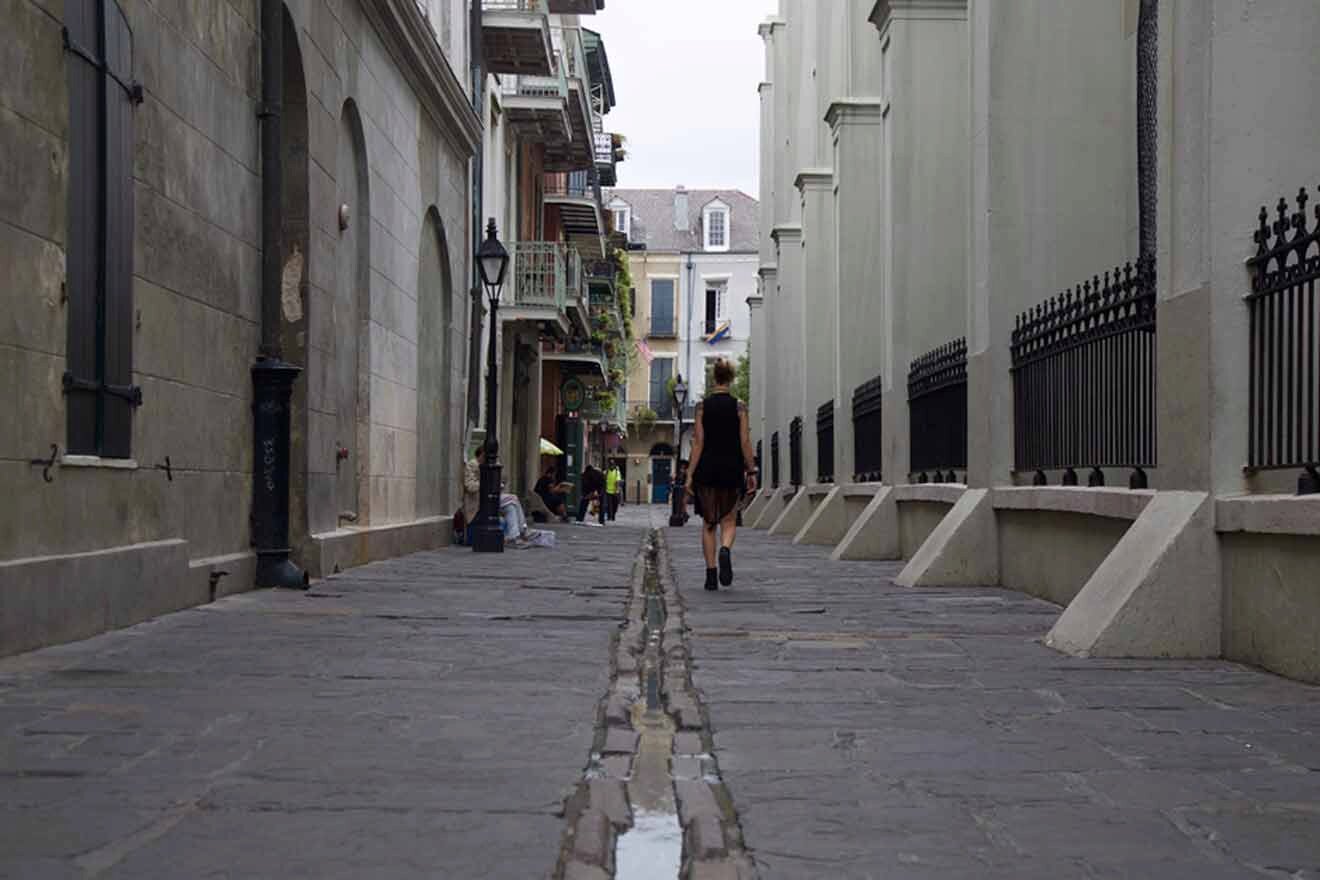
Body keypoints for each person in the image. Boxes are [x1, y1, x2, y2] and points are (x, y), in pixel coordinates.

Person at [684, 358, 757, 590]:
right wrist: (751, 468)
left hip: (706, 469)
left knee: (708, 523)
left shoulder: (702, 407)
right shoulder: (740, 407)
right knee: (728, 519)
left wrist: (689, 474)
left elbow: (698, 442)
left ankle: (711, 573)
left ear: (713, 378)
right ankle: (725, 549)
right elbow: (745, 440)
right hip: (732, 468)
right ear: (731, 379)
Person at [463, 445, 530, 545]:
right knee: (513, 498)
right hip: (478, 500)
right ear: (482, 455)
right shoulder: (472, 465)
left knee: (510, 507)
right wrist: (488, 484)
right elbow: (470, 486)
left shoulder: (490, 464)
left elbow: (501, 479)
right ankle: (523, 529)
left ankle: (514, 535)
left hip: (491, 497)